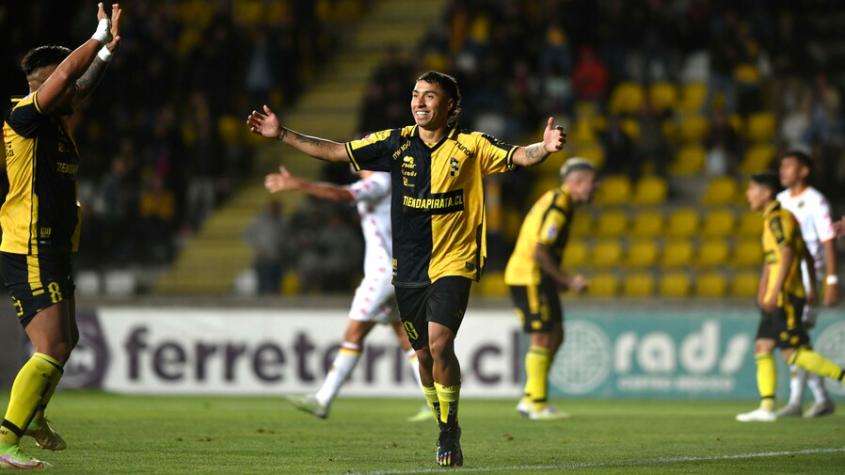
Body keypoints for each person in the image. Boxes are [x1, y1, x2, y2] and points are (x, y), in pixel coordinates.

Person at [247, 70, 567, 467]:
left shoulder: (470, 145)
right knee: (424, 358)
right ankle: (442, 422)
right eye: (416, 95)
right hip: (409, 267)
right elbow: (335, 151)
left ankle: (450, 429)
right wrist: (282, 135)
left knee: (438, 343)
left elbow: (519, 155)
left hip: (455, 261)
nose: (419, 102)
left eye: (429, 96)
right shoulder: (394, 143)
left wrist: (545, 147)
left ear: (450, 107)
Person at [0, 3, 122, 469]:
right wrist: (95, 35)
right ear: (45, 85)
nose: (75, 89)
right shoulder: (24, 118)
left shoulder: (54, 120)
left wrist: (106, 54)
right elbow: (71, 76)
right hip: (29, 244)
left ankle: (33, 417)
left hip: (51, 246)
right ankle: (7, 440)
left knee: (63, 342)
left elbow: (80, 85)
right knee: (50, 346)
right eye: (63, 82)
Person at [265, 165, 430, 421]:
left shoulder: (380, 181)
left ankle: (323, 399)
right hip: (400, 271)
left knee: (353, 334)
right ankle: (434, 402)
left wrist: (298, 184)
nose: (354, 156)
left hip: (383, 273)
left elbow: (342, 195)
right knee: (406, 337)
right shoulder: (395, 182)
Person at [736, 171, 845, 423]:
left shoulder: (778, 218)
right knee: (763, 346)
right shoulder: (779, 218)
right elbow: (801, 252)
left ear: (765, 193)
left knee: (791, 352)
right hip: (782, 293)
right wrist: (766, 287)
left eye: (752, 189)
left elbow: (786, 254)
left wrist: (775, 291)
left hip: (784, 296)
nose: (748, 194)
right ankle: (765, 408)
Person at [504, 158, 595, 420]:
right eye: (591, 182)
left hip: (539, 276)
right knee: (543, 336)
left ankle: (530, 398)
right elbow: (539, 250)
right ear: (576, 182)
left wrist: (556, 279)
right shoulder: (559, 205)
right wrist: (567, 280)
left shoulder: (559, 201)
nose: (596, 187)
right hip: (528, 275)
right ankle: (536, 403)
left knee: (557, 334)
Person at [776, 151, 840, 418]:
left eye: (789, 166)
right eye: (781, 166)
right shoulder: (779, 201)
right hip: (786, 277)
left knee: (793, 338)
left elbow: (827, 240)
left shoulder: (816, 201)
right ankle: (821, 398)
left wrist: (831, 280)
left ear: (804, 171)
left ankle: (795, 401)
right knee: (796, 340)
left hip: (807, 276)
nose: (783, 171)